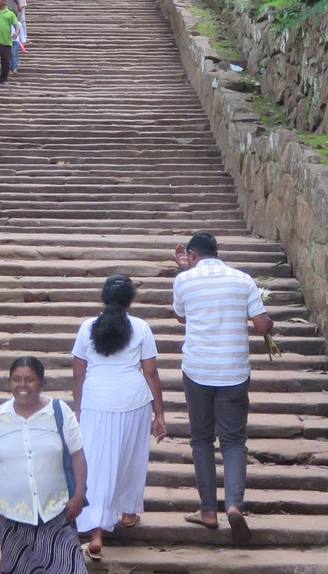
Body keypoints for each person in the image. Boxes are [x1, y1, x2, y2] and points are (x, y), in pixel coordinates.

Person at [172, 231, 276, 545]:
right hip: (233, 372)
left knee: (201, 439)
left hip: (198, 371)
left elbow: (180, 316)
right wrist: (270, 327)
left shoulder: (184, 280)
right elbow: (261, 325)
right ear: (217, 253)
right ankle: (233, 505)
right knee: (233, 442)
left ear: (192, 255)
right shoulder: (242, 280)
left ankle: (207, 511)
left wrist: (184, 272)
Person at [72, 275, 167, 560]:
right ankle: (127, 513)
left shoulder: (87, 327)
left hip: (96, 401)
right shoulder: (141, 327)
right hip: (134, 401)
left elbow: (78, 374)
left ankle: (96, 532)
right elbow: (150, 372)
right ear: (130, 300)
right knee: (130, 457)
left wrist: (78, 408)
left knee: (95, 463)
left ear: (104, 298)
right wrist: (159, 413)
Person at [0, 357, 87, 574]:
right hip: (11, 514)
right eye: (16, 379)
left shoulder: (59, 411)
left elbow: (78, 455)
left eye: (29, 380)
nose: (22, 386)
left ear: (41, 384)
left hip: (55, 510)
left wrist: (79, 495)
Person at [6, 0, 26, 72]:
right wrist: (18, 4)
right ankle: (20, 40)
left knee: (20, 23)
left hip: (19, 4)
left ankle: (22, 39)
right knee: (17, 24)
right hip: (15, 5)